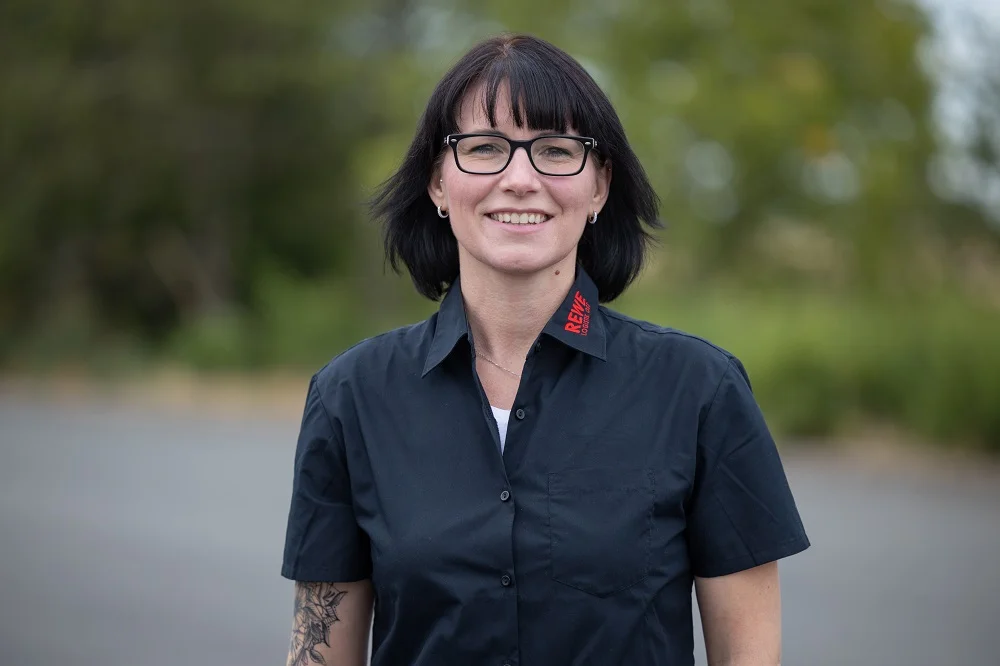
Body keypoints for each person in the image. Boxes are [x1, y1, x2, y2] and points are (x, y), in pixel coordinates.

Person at [281, 33, 809, 666]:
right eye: (484, 148)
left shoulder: (700, 389)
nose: (521, 179)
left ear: (599, 187)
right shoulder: (350, 397)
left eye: (557, 151)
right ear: (438, 184)